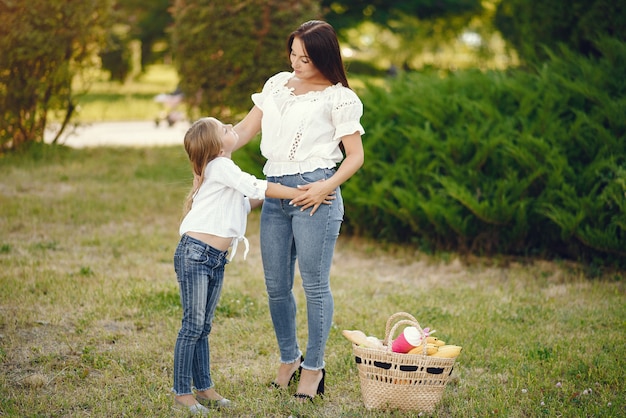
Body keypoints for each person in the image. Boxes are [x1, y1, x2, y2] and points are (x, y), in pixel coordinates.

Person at [233, 20, 365, 401]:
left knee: (314, 285)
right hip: (275, 192)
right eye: (292, 53)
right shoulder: (277, 84)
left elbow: (355, 156)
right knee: (276, 287)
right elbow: (244, 130)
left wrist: (325, 186)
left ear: (323, 56)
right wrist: (212, 144)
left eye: (305, 58)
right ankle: (289, 359)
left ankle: (314, 366)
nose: (295, 62)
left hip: (316, 195)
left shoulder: (339, 97)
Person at [172, 117, 334, 415]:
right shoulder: (220, 167)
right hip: (195, 255)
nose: (231, 127)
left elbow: (245, 202)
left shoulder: (221, 173)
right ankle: (182, 392)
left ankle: (204, 387)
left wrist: (275, 201)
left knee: (204, 326)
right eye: (224, 129)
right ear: (217, 146)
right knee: (192, 326)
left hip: (213, 258)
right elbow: (255, 186)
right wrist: (300, 193)